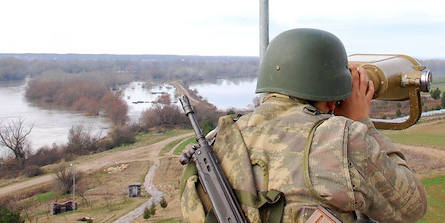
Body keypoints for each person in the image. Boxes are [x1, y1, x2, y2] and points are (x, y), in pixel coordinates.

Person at [180, 28, 427, 223]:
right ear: (330, 92)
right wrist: (361, 122)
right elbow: (411, 206)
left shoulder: (215, 142)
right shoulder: (341, 140)